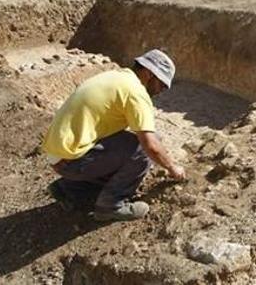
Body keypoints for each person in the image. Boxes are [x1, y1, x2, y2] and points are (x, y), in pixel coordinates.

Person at [42, 49, 186, 222]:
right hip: (70, 161)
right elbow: (150, 145)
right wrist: (172, 167)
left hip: (60, 154)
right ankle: (110, 206)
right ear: (149, 73)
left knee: (131, 142)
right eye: (161, 84)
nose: (161, 90)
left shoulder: (116, 77)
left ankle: (69, 189)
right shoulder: (135, 92)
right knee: (141, 150)